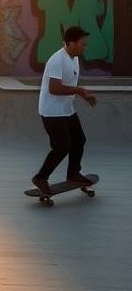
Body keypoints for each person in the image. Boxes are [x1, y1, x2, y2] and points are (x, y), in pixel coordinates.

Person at [32, 25, 97, 193]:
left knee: (79, 140)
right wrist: (79, 91)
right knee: (62, 146)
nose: (85, 47)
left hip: (66, 109)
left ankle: (73, 173)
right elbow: (54, 88)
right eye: (82, 44)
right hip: (52, 111)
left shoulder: (74, 58)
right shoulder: (57, 60)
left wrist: (79, 92)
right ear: (70, 43)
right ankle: (40, 178)